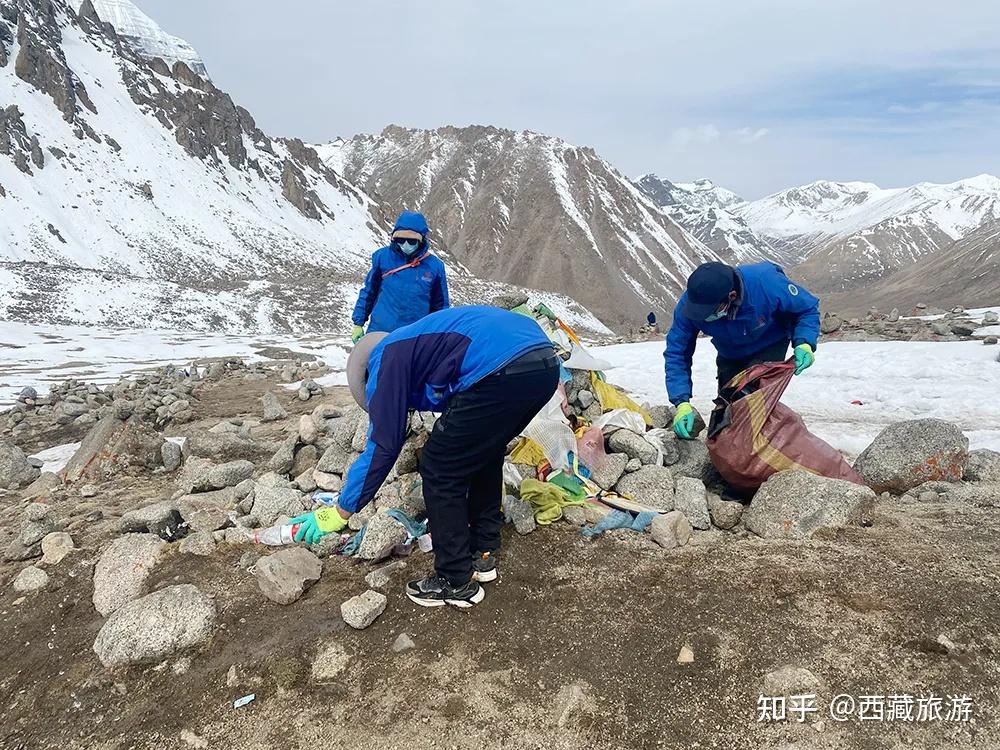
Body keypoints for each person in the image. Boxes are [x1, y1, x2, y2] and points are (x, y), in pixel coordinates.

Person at [291, 306, 559, 608]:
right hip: (542, 363)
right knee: (485, 450)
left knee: (438, 466)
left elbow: (383, 447)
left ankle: (453, 581)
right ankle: (483, 553)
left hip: (501, 368)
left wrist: (341, 510)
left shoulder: (384, 361)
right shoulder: (413, 343)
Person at [664, 261, 820, 439]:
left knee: (752, 403)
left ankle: (762, 452)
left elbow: (807, 309)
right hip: (729, 353)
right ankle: (730, 453)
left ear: (731, 296)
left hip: (769, 343)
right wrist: (681, 402)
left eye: (709, 312)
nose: (705, 317)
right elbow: (677, 352)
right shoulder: (691, 305)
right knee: (727, 407)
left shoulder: (766, 283)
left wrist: (804, 342)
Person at [351, 211, 449, 343]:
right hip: (379, 332)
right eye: (401, 240)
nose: (405, 244)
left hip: (414, 337)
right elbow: (369, 291)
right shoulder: (382, 257)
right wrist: (358, 322)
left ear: (421, 240)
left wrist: (438, 334)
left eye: (412, 241)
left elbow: (440, 306)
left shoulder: (435, 267)